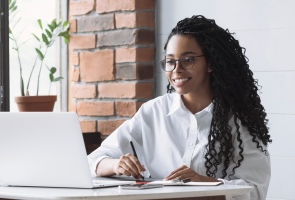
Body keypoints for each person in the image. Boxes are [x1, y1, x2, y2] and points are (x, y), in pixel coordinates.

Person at [88, 15, 272, 200]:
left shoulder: (238, 119)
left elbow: (254, 190)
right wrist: (116, 165)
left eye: (188, 60)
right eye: (170, 61)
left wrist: (204, 185)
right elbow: (91, 162)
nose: (177, 69)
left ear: (210, 63)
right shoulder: (153, 112)